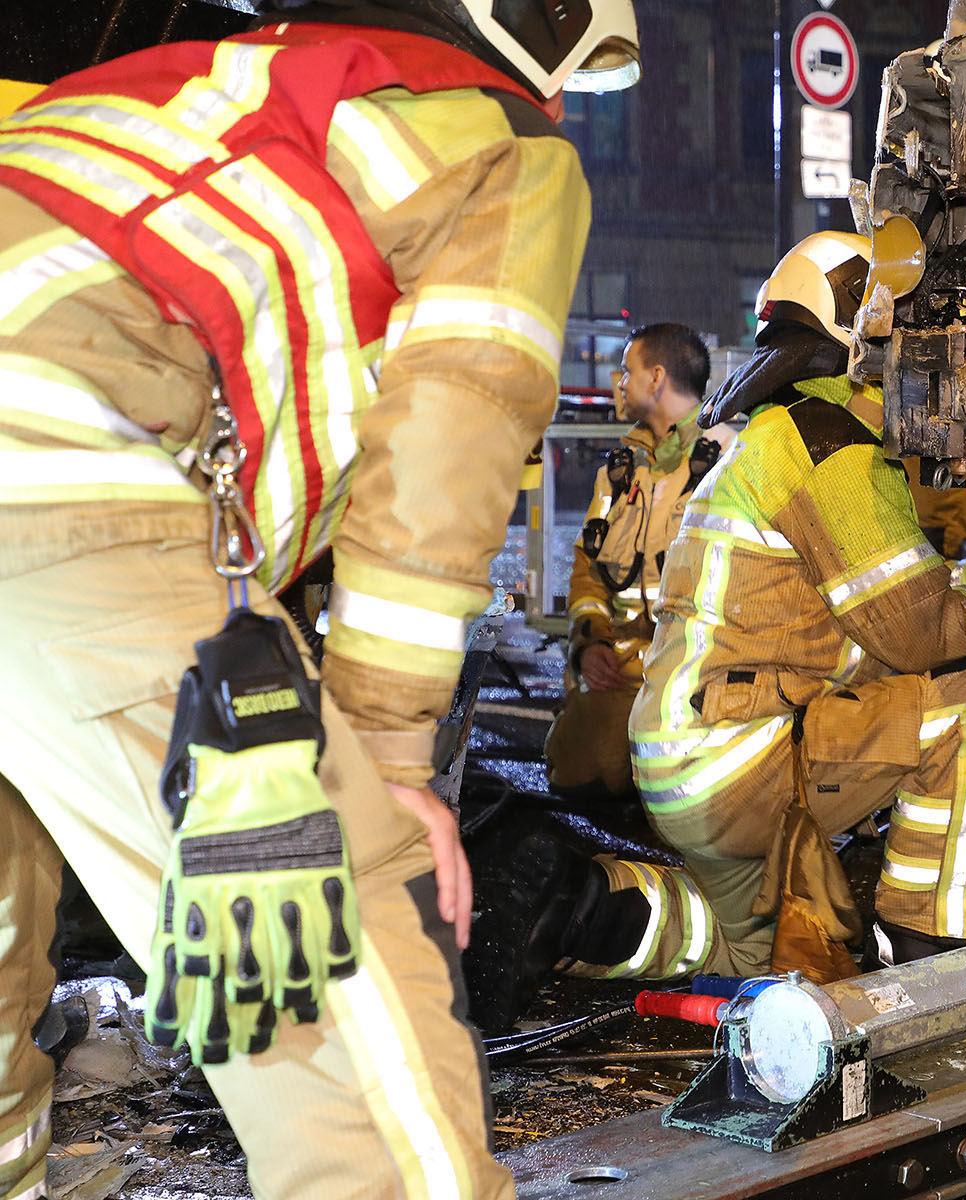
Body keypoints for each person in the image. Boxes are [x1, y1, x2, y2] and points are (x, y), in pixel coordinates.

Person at [0, 2, 638, 1198]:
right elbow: (459, 416)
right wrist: (393, 763)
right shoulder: (495, 146)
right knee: (330, 963)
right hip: (54, 463)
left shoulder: (211, 97)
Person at [493, 231, 966, 988]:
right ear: (869, 340)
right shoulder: (833, 448)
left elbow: (895, 598)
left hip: (685, 770)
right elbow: (923, 632)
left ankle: (583, 907)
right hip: (745, 760)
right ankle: (939, 950)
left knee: (767, 956)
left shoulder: (777, 436)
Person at [544, 323, 735, 795]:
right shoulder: (621, 469)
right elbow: (588, 569)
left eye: (627, 371)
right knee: (574, 769)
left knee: (646, 778)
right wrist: (591, 646)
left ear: (656, 378)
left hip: (698, 679)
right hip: (627, 672)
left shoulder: (729, 460)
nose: (620, 382)